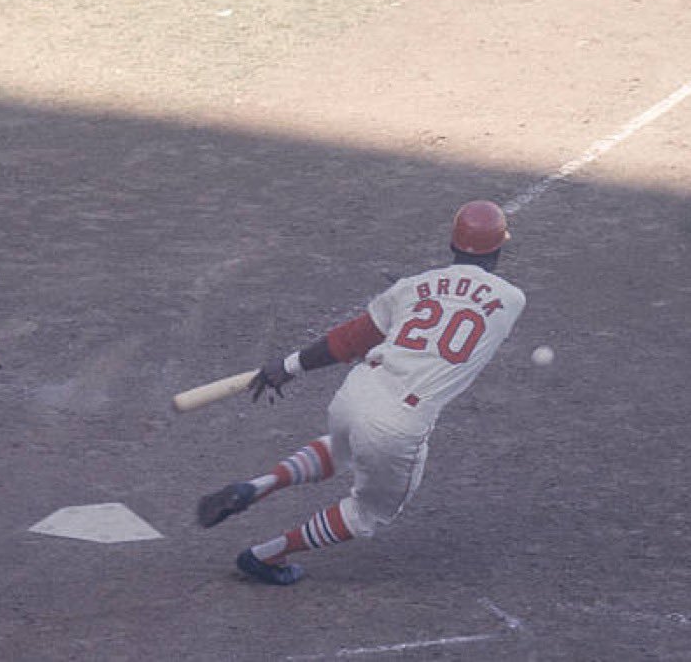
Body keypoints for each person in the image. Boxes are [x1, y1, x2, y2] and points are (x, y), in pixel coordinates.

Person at [197, 200, 526, 585]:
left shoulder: (410, 288)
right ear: (499, 248)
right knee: (368, 513)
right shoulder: (512, 299)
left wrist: (286, 367)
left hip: (359, 389)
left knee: (343, 448)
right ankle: (265, 556)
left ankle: (257, 486)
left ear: (452, 243)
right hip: (399, 420)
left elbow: (351, 339)